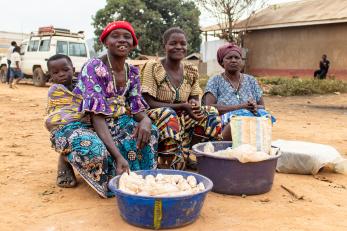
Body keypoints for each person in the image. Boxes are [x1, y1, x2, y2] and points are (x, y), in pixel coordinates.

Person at [73, 21, 158, 187]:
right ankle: (66, 159)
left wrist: (146, 120)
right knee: (95, 150)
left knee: (150, 132)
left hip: (115, 120)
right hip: (87, 122)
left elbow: (136, 106)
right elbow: (96, 116)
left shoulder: (132, 72)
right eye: (115, 36)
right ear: (106, 42)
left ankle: (143, 176)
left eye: (127, 37)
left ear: (133, 44)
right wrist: (118, 156)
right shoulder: (94, 67)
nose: (122, 40)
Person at [45, 54, 131, 197]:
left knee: (115, 138)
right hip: (65, 128)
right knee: (90, 146)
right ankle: (66, 158)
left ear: (73, 69)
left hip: (90, 126)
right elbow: (58, 116)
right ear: (50, 75)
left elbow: (95, 106)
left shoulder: (84, 85)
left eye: (65, 70)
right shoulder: (55, 91)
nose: (61, 74)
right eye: (55, 72)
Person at [141, 27, 222, 169]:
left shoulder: (191, 71)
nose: (179, 47)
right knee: (168, 114)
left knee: (211, 113)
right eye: (173, 43)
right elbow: (147, 102)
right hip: (157, 115)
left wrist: (193, 104)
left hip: (182, 114)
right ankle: (170, 162)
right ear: (164, 46)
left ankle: (193, 154)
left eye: (183, 43)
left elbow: (195, 98)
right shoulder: (153, 67)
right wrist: (182, 106)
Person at [203, 43, 275, 140]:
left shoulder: (251, 80)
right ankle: (219, 144)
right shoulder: (215, 81)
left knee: (264, 116)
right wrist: (241, 107)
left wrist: (253, 106)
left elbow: (262, 106)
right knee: (237, 122)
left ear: (241, 61)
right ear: (222, 62)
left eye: (237, 58)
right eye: (229, 58)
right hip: (224, 122)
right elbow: (209, 108)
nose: (233, 60)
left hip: (249, 118)